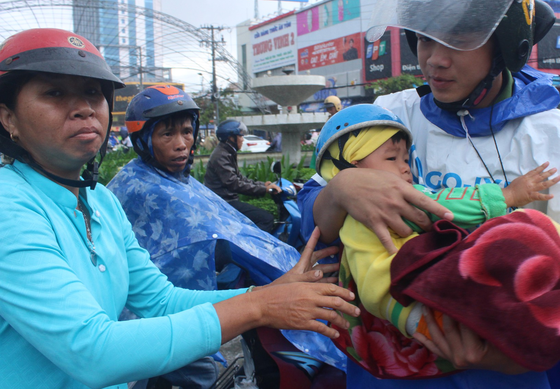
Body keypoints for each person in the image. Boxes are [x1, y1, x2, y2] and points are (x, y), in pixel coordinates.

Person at [299, 0, 560, 388]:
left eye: (459, 39)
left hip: (514, 364)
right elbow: (317, 225)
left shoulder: (557, 135)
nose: (435, 60)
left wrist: (511, 348)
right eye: (425, 39)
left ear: (507, 42)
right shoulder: (392, 115)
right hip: (396, 366)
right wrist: (339, 190)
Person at [0, 28, 359, 389]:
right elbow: (92, 351)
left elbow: (161, 299)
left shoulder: (101, 201)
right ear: (8, 118)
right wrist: (259, 307)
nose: (83, 108)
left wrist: (264, 293)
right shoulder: (9, 206)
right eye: (55, 92)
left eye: (93, 92)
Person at [315, 105, 560, 388]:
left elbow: (445, 202)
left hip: (482, 323)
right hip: (431, 310)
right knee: (528, 235)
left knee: (544, 238)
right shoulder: (363, 211)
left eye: (405, 159)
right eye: (391, 159)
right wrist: (419, 323)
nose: (405, 169)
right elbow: (374, 278)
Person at [108, 85, 348, 386]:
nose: (182, 144)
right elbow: (233, 236)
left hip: (176, 306)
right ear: (143, 139)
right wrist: (283, 271)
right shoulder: (148, 188)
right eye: (167, 134)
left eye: (186, 131)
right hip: (152, 328)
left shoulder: (168, 176)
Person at [204, 119, 282, 232]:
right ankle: (254, 248)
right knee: (266, 219)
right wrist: (264, 189)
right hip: (223, 202)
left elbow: (239, 178)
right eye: (240, 136)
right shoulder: (221, 155)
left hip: (225, 200)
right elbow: (234, 183)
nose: (242, 139)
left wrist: (263, 185)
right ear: (231, 138)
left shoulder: (227, 152)